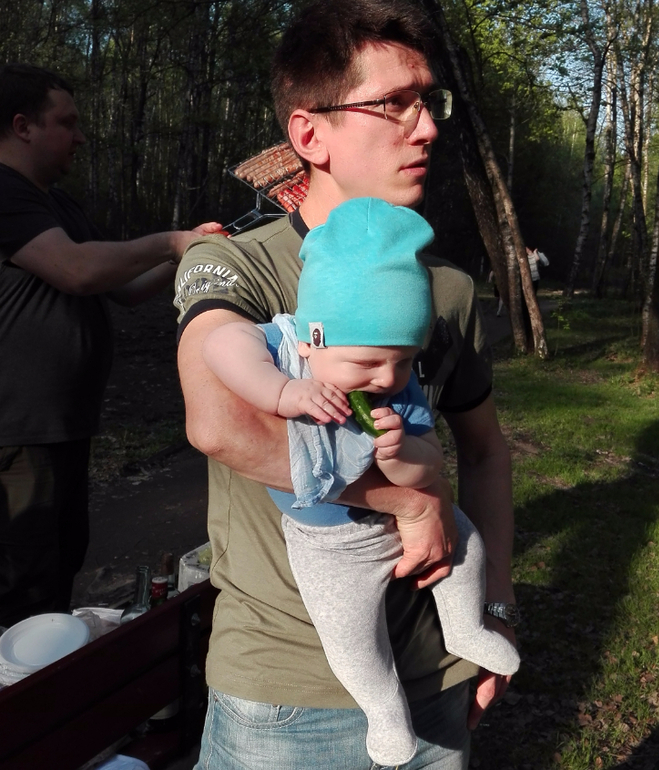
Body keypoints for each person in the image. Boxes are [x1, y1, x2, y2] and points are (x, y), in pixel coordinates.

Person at [174, 1, 517, 767]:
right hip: (283, 700)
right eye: (392, 104)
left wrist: (495, 604)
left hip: (435, 673)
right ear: (309, 134)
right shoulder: (233, 264)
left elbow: (485, 451)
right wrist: (412, 501)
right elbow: (221, 425)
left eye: (429, 102)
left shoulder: (446, 289)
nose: (425, 129)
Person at [202, 196, 520, 767]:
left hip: (396, 530)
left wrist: (402, 456)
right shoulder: (283, 347)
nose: (386, 378)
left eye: (401, 360)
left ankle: (465, 627)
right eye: (369, 363)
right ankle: (383, 710)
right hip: (328, 544)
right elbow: (219, 346)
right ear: (314, 338)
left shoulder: (397, 387)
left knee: (467, 545)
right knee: (349, 634)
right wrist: (281, 392)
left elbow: (431, 464)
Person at [0, 63, 221, 628]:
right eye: (67, 122)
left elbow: (124, 287)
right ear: (23, 126)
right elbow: (77, 270)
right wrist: (170, 240)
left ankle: (46, 673)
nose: (80, 137)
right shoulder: (5, 192)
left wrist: (194, 251)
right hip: (18, 429)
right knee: (23, 580)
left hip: (64, 424)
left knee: (58, 563)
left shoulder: (57, 204)